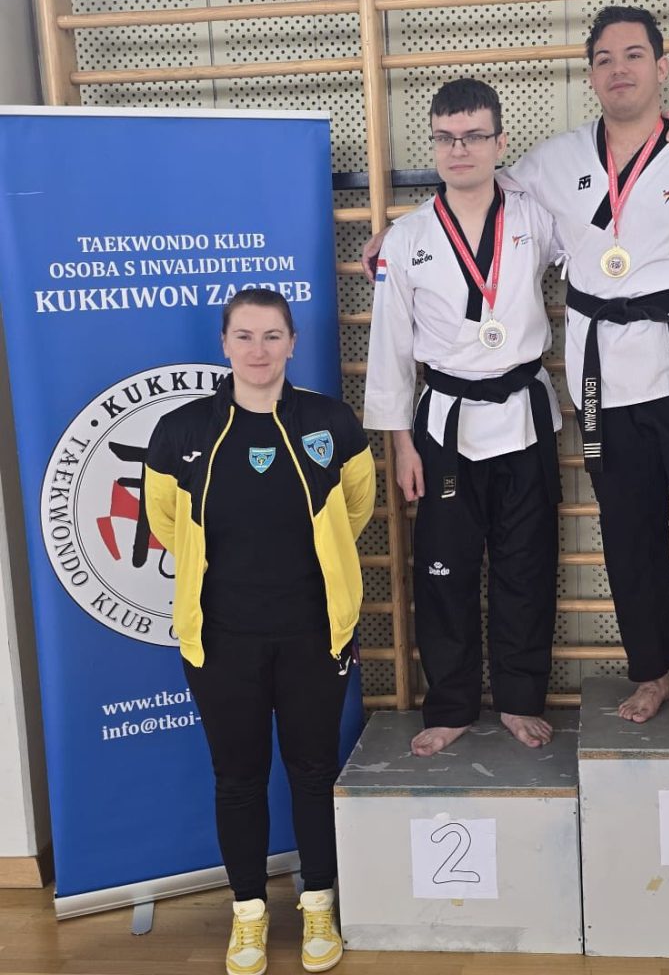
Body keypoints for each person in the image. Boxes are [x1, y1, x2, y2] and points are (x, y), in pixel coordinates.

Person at [498, 5, 669, 732]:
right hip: (601, 378)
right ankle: (653, 671)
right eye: (604, 58)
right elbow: (483, 205)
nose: (618, 69)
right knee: (628, 530)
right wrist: (399, 237)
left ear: (661, 67)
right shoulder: (554, 162)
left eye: (632, 55)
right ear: (591, 75)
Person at [144, 288, 375, 975]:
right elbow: (165, 523)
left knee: (313, 772)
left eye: (272, 336)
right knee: (238, 778)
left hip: (314, 636)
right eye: (244, 336)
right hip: (221, 642)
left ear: (292, 343)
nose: (258, 350)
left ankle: (319, 904)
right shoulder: (181, 432)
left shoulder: (329, 422)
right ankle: (248, 913)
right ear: (224, 344)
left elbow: (355, 507)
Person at [364, 78, 563, 757]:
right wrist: (401, 444)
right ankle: (449, 706)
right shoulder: (407, 237)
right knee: (442, 572)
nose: (460, 149)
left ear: (499, 143)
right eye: (447, 138)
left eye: (475, 136)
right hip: (443, 425)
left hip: (526, 416)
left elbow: (602, 253)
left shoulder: (538, 216)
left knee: (526, 568)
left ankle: (519, 699)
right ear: (434, 144)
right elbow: (390, 347)